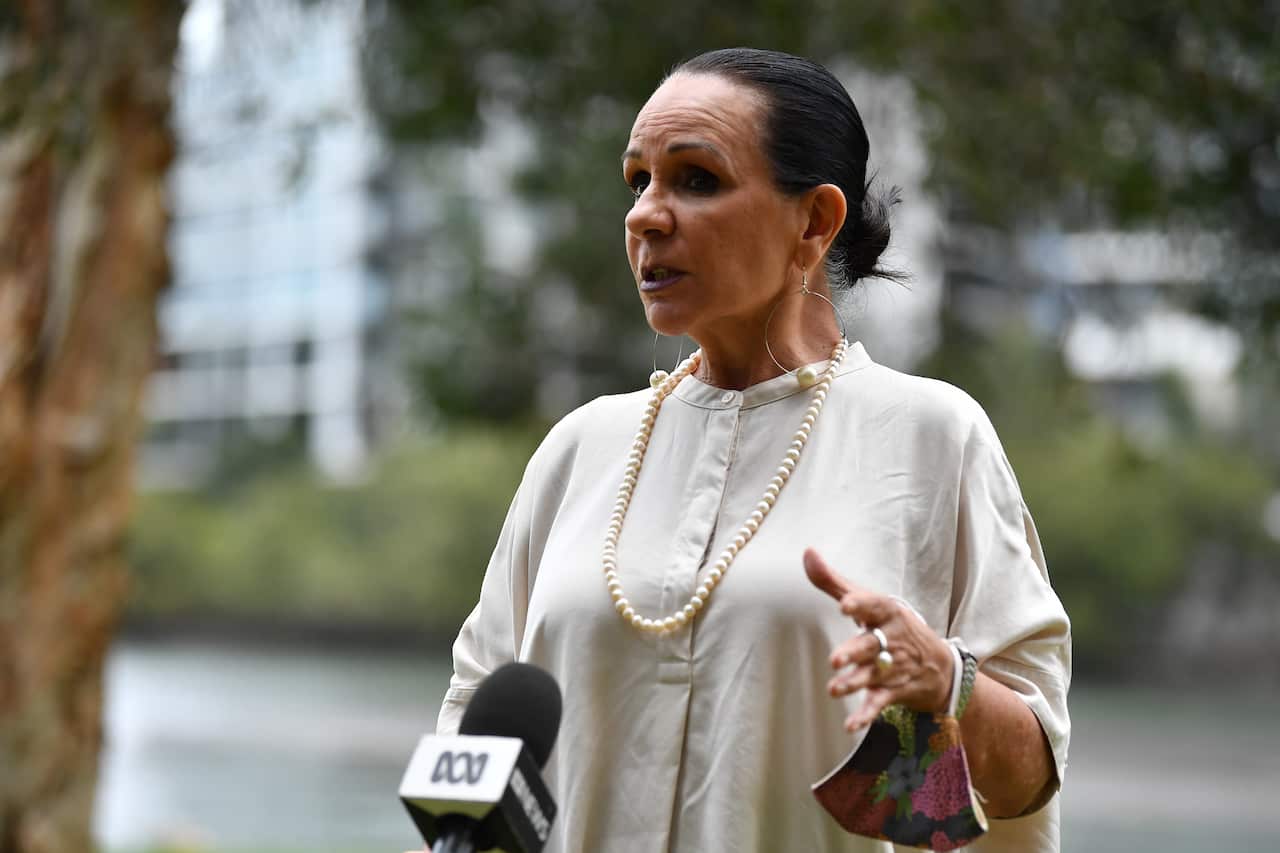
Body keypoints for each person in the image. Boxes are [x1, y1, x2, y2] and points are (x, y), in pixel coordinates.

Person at [435, 48, 1070, 852]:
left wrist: (949, 682)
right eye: (639, 181)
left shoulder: (933, 437)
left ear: (815, 220)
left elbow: (1029, 775)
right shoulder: (580, 448)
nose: (645, 216)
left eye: (696, 179)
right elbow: (473, 716)